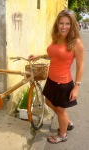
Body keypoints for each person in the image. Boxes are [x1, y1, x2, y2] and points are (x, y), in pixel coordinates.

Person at [28, 9, 84, 144]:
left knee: (60, 110)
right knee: (48, 102)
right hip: (51, 79)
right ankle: (65, 120)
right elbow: (54, 54)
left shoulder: (76, 43)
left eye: (67, 24)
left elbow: (80, 66)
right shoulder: (57, 37)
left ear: (73, 25)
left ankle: (63, 134)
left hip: (63, 83)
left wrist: (76, 87)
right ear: (57, 24)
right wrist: (39, 56)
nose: (64, 27)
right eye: (61, 23)